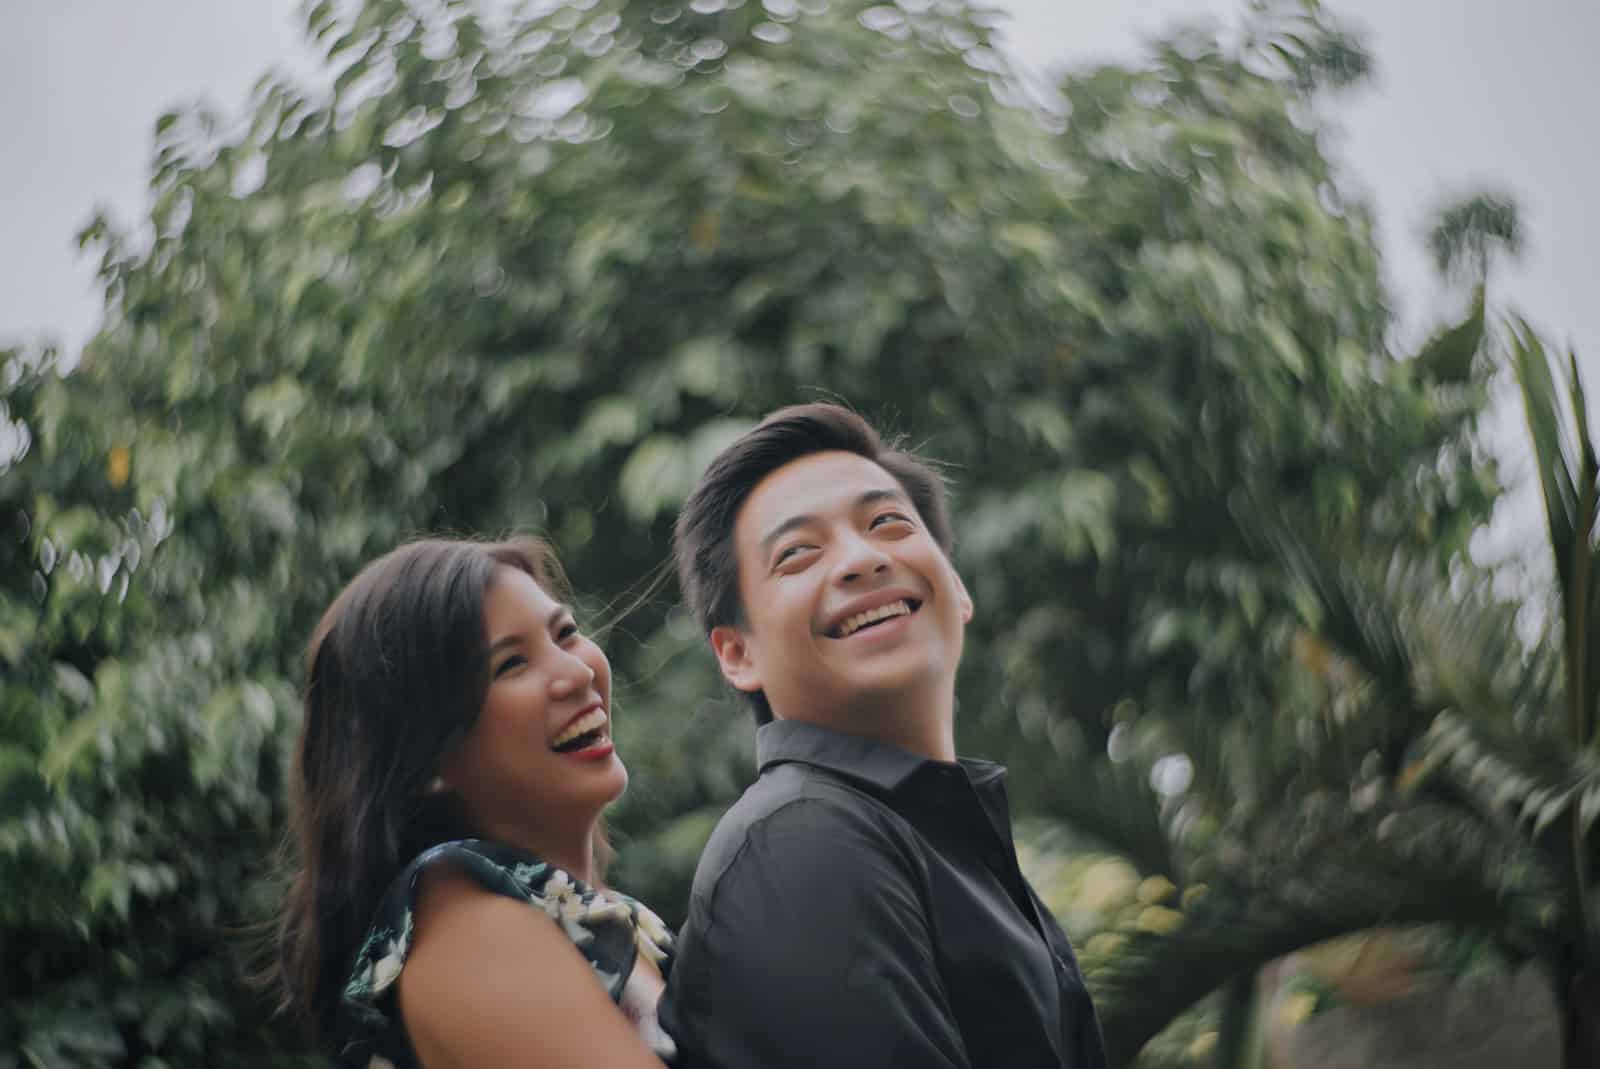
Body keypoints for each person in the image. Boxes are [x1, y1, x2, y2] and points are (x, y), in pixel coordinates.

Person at [662, 403, 1107, 1068]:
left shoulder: (935, 840)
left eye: (887, 523)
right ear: (737, 654)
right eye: (797, 553)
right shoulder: (799, 839)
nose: (862, 559)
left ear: (956, 587)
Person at [274, 537, 676, 1068]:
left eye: (565, 633)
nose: (578, 673)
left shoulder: (609, 919)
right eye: (511, 664)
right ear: (424, 759)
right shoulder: (469, 929)